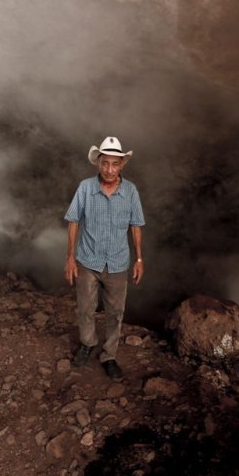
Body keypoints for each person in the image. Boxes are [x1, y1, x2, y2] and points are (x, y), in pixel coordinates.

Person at [64, 136, 145, 380]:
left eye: (115, 164)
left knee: (115, 312)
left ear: (122, 165)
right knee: (86, 308)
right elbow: (73, 222)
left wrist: (139, 259)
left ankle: (109, 355)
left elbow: (136, 225)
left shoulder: (130, 191)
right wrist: (70, 257)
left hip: (118, 262)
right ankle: (88, 343)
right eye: (105, 163)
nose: (109, 169)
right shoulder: (86, 188)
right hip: (88, 259)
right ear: (98, 164)